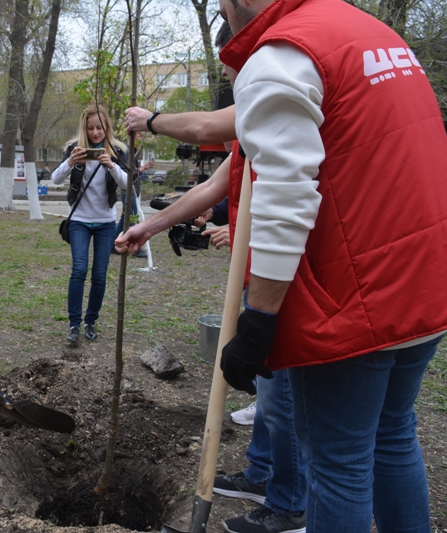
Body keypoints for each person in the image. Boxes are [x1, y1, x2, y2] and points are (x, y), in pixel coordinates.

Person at [212, 0, 447, 531]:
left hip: (357, 300)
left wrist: (260, 317)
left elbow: (285, 196)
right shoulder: (370, 32)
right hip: (428, 278)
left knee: (339, 461)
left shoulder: (280, 55)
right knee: (393, 434)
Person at [123, 22, 309, 533]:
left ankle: (290, 502)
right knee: (273, 395)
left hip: (288, 277)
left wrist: (152, 119)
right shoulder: (260, 109)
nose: (229, 72)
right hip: (262, 273)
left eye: (231, 62)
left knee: (282, 395)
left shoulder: (274, 82)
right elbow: (217, 181)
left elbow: (205, 129)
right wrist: (153, 224)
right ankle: (265, 475)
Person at [52, 104, 129, 342]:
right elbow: (55, 179)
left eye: (100, 127)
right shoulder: (74, 149)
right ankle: (74, 325)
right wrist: (70, 162)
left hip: (106, 222)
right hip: (79, 221)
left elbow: (128, 183)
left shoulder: (117, 150)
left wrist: (111, 165)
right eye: (91, 128)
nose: (96, 133)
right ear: (84, 129)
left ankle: (90, 322)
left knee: (99, 275)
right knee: (79, 270)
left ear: (107, 127)